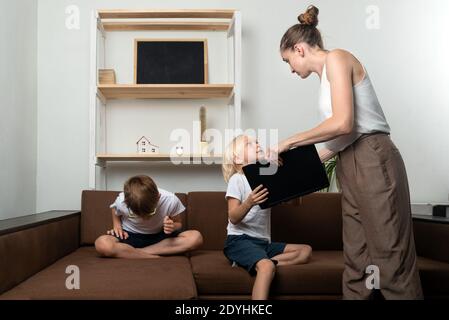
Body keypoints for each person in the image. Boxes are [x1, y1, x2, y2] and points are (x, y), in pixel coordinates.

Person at [267, 5, 423, 299]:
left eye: (288, 61)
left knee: (390, 254)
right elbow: (339, 139)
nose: (290, 70)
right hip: (348, 160)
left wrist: (291, 141)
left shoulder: (337, 58)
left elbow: (343, 123)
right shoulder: (323, 81)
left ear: (299, 49)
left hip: (373, 157)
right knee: (357, 258)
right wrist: (287, 178)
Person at [222, 134, 312, 300]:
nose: (256, 144)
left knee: (305, 251)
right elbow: (233, 217)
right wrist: (249, 202)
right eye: (249, 144)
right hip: (239, 240)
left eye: (256, 142)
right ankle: (262, 265)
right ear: (237, 158)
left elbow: (295, 203)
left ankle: (253, 262)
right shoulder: (238, 179)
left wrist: (286, 175)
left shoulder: (268, 177)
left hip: (263, 243)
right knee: (266, 266)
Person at [95, 175, 203, 258]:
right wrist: (117, 226)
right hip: (129, 236)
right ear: (127, 203)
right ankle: (150, 256)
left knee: (196, 237)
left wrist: (172, 226)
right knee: (102, 244)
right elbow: (114, 208)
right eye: (136, 214)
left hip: (159, 238)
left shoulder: (170, 199)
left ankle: (136, 253)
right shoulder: (122, 200)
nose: (143, 218)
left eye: (150, 212)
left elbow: (179, 223)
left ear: (158, 197)